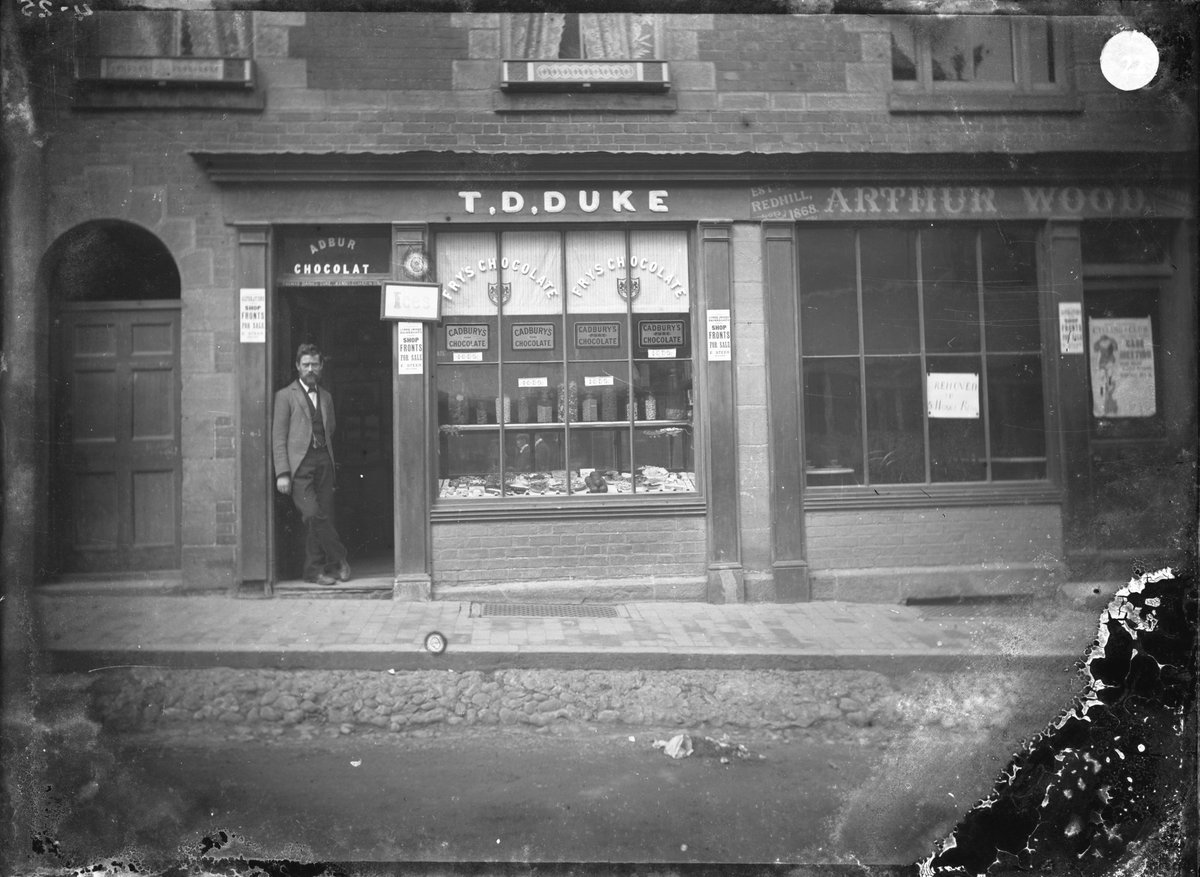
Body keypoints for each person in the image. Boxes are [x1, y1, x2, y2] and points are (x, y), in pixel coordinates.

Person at [273, 342, 350, 586]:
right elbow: (278, 436)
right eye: (305, 365)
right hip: (300, 466)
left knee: (322, 515)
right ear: (297, 367)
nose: (310, 369)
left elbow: (331, 428)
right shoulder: (285, 396)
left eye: (314, 365)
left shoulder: (326, 396)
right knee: (312, 514)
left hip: (323, 461)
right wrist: (282, 473)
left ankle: (314, 571)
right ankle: (340, 559)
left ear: (321, 366)